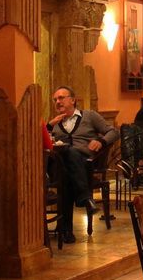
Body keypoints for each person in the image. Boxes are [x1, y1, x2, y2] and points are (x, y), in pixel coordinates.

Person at [47, 85, 119, 242]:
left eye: (61, 98)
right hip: (60, 167)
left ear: (73, 100)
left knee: (70, 160)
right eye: (55, 99)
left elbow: (113, 132)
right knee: (66, 165)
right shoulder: (54, 124)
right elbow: (42, 141)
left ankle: (65, 230)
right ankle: (85, 198)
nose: (57, 102)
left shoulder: (89, 116)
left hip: (85, 165)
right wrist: (49, 126)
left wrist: (101, 141)